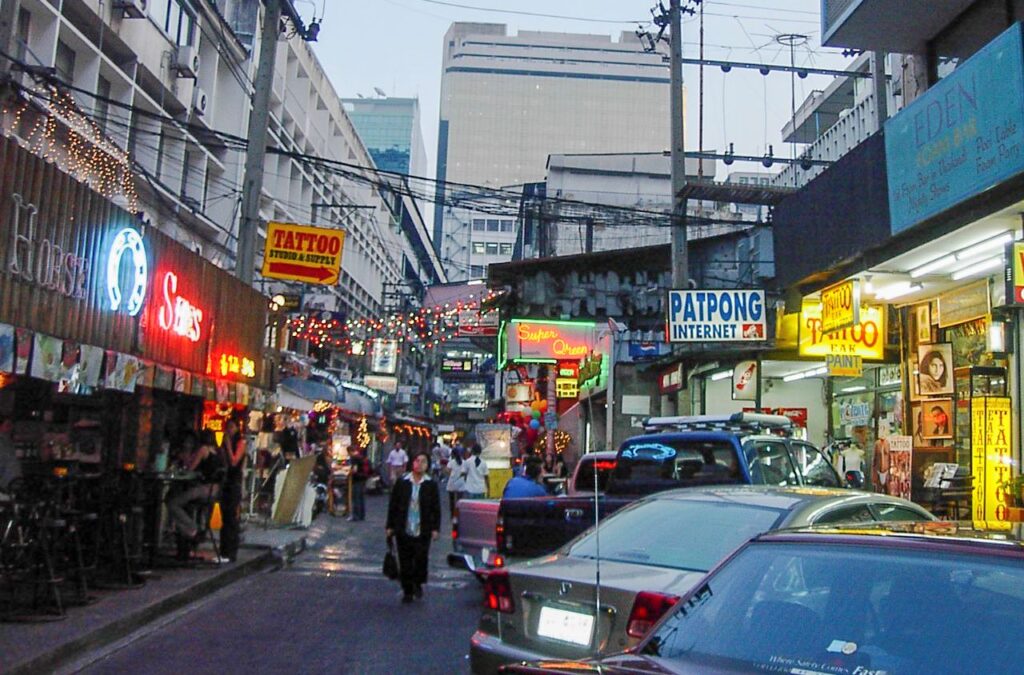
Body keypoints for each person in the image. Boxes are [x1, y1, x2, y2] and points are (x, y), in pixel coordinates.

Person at [385, 450, 441, 604]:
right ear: (412, 463)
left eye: (423, 461)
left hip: (423, 528)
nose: (420, 464)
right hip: (404, 527)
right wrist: (390, 526)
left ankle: (418, 583)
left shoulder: (430, 485)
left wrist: (435, 528)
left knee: (420, 558)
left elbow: (436, 508)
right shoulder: (403, 482)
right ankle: (407, 590)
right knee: (405, 560)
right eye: (417, 461)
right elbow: (393, 505)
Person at [167, 430, 224, 556]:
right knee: (183, 502)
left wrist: (183, 459)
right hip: (215, 490)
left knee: (173, 503)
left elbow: (190, 468)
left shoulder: (203, 449)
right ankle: (188, 533)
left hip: (204, 488)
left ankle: (192, 528)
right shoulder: (217, 451)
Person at [219, 418, 247, 563]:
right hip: (226, 481)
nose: (229, 430)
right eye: (227, 427)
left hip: (234, 481)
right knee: (225, 517)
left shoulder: (240, 442)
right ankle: (224, 550)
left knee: (231, 516)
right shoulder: (225, 443)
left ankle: (231, 551)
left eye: (232, 426)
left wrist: (229, 446)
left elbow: (234, 461)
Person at [0, 415, 21, 499]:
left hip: (11, 486)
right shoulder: (2, 442)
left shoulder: (7, 441)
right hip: (4, 488)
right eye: (7, 425)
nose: (10, 428)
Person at [348, 448, 371, 521]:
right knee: (361, 498)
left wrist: (349, 472)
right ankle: (362, 515)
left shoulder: (354, 458)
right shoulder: (361, 457)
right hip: (363, 479)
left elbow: (354, 470)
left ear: (350, 452)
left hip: (357, 479)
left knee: (356, 498)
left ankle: (356, 516)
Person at [445, 445, 466, 514]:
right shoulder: (464, 462)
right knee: (459, 500)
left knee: (451, 500)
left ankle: (452, 513)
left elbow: (447, 471)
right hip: (461, 483)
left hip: (452, 482)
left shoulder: (451, 462)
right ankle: (458, 513)